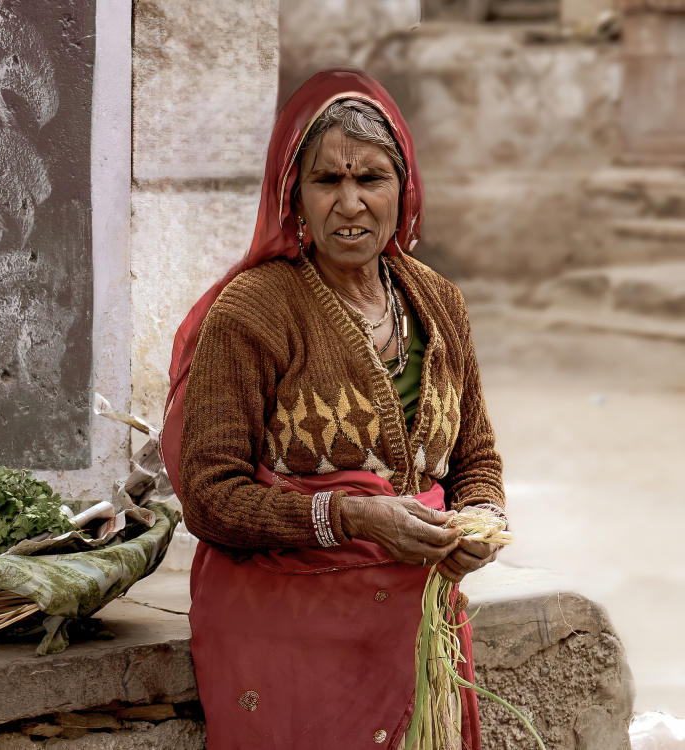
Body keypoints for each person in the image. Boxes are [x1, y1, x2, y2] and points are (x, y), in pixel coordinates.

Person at [159, 69, 506, 749]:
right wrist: (348, 515)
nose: (350, 204)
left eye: (370, 179)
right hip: (292, 627)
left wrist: (483, 521)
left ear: (402, 190)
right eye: (327, 182)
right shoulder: (253, 311)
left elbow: (477, 457)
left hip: (418, 625)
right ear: (295, 194)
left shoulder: (440, 303)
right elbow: (208, 497)